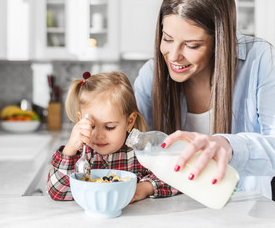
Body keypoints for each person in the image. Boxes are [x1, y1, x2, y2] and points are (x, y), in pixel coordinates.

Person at [134, 0, 275, 207]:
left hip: (244, 205)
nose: (174, 55)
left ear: (219, 41)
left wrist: (228, 146)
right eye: (167, 39)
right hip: (179, 207)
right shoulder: (151, 76)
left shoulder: (258, 59)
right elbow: (134, 153)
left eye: (192, 45)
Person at [47, 71, 179, 201]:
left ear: (129, 121)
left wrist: (144, 188)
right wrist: (69, 149)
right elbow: (57, 190)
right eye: (92, 126)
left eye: (109, 127)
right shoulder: (81, 155)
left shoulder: (139, 153)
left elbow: (175, 177)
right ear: (80, 120)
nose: (98, 136)